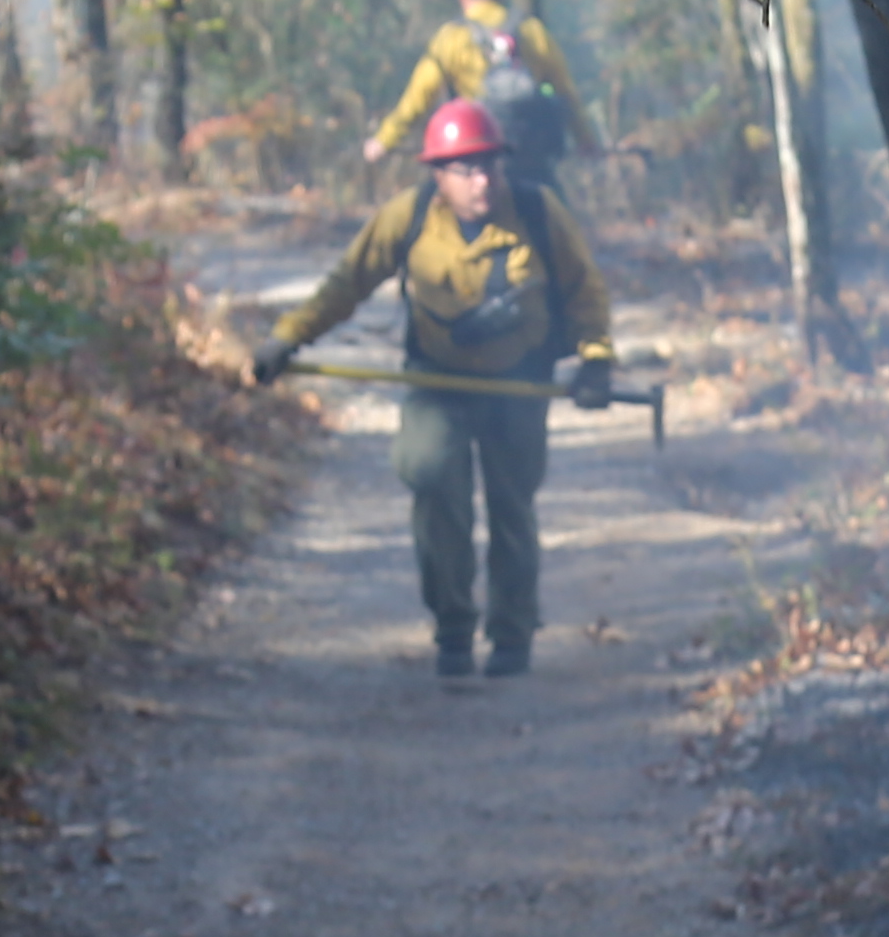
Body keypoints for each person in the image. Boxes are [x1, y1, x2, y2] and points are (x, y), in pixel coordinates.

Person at [252, 100, 617, 678]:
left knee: (512, 506)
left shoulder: (538, 212)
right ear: (437, 174)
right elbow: (348, 282)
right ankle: (452, 629)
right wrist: (288, 339)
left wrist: (596, 363)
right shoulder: (410, 215)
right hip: (437, 380)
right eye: (466, 168)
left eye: (490, 165)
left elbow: (584, 291)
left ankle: (512, 635)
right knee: (431, 483)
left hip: (519, 382)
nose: (482, 180)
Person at [361, 0, 581, 174]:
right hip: (532, 161)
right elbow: (566, 92)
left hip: (477, 166)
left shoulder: (450, 38)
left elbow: (418, 100)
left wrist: (384, 141)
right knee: (553, 208)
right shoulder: (533, 31)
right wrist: (587, 142)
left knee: (427, 207)